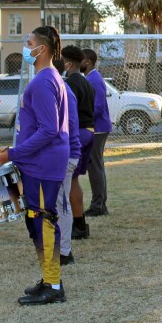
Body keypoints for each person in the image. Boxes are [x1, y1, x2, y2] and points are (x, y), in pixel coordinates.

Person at [0, 27, 70, 305]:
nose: (26, 48)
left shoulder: (44, 81)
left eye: (29, 43)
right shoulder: (48, 78)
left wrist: (13, 153)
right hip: (39, 162)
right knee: (36, 219)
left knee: (43, 221)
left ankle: (54, 285)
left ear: (43, 49)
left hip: (42, 164)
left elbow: (49, 129)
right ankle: (49, 277)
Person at [61, 46, 94, 240]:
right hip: (89, 131)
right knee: (73, 180)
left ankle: (77, 224)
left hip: (78, 132)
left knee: (69, 181)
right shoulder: (85, 81)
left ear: (69, 63)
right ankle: (79, 222)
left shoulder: (71, 83)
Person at [52, 57, 83, 265]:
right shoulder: (59, 87)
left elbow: (66, 124)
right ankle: (61, 247)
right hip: (63, 153)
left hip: (65, 154)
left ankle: (64, 250)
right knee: (58, 202)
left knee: (61, 203)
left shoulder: (62, 89)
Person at [82, 48, 111, 217]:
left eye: (82, 60)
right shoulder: (90, 78)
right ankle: (100, 204)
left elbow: (98, 106)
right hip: (96, 127)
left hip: (97, 129)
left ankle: (98, 205)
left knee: (95, 166)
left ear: (89, 62)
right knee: (95, 165)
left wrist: (84, 121)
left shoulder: (94, 79)